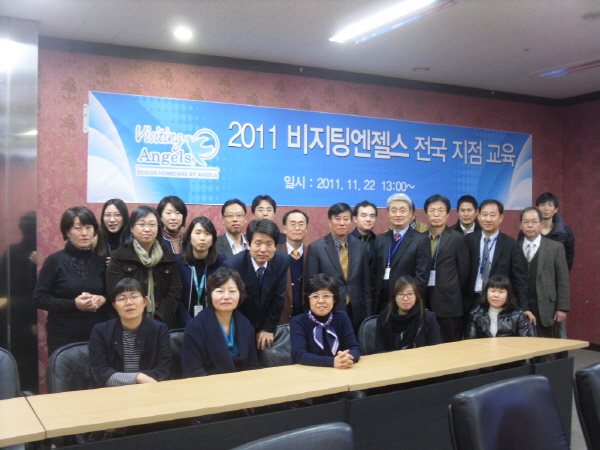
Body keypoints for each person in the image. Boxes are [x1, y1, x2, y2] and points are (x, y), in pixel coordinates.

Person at [33, 206, 110, 355]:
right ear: (67, 232)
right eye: (78, 228)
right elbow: (39, 299)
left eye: (89, 228)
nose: (84, 233)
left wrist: (103, 299)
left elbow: (111, 295)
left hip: (96, 334)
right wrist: (73, 304)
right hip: (63, 335)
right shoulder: (54, 261)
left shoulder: (100, 262)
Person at [107, 205, 181, 329]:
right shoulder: (119, 257)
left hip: (162, 324)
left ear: (158, 228)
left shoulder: (169, 258)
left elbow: (174, 292)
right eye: (141, 224)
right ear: (132, 228)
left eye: (152, 225)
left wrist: (159, 319)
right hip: (129, 324)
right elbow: (115, 292)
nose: (147, 229)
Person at [88, 278, 171, 387]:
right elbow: (99, 372)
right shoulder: (101, 331)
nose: (129, 303)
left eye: (134, 296)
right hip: (111, 392)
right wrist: (138, 378)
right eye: (122, 298)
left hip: (149, 389)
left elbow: (163, 370)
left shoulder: (159, 330)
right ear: (115, 305)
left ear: (145, 301)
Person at [181, 267, 261, 377]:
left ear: (240, 294)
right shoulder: (195, 327)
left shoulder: (246, 325)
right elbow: (193, 371)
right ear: (210, 294)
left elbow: (253, 366)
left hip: (242, 383)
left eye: (232, 291)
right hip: (209, 384)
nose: (226, 297)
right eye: (220, 291)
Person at [305, 203, 372, 331]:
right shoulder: (316, 248)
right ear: (329, 221)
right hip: (329, 311)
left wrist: (368, 315)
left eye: (346, 219)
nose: (342, 223)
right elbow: (311, 287)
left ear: (351, 221)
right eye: (337, 219)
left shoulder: (361, 247)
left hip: (357, 311)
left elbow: (365, 285)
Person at [223, 219, 289, 350]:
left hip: (266, 324)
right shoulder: (233, 266)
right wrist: (243, 332)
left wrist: (268, 328)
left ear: (275, 246)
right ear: (248, 244)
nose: (263, 249)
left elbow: (278, 298)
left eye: (269, 244)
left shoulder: (282, 261)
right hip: (239, 325)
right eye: (258, 243)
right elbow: (231, 304)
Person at [465, 199, 534, 323]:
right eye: (484, 214)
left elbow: (519, 279)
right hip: (471, 301)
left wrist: (524, 307)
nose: (488, 219)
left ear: (501, 218)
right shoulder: (468, 240)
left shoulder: (510, 244)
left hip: (499, 303)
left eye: (492, 215)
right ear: (478, 216)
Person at [372, 193, 431, 314]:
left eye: (402, 210)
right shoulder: (380, 239)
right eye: (394, 210)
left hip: (406, 304)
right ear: (388, 214)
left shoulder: (421, 240)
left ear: (411, 213)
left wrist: (408, 299)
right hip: (381, 303)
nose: (398, 214)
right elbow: (374, 273)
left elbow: (421, 278)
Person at [423, 195, 470, 343]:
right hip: (425, 303)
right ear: (426, 214)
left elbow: (464, 273)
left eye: (440, 210)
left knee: (450, 347)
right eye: (432, 210)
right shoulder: (420, 238)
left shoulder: (458, 238)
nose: (436, 214)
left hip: (449, 304)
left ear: (448, 214)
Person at [290, 274, 360, 368]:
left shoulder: (342, 317)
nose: (321, 301)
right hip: (309, 372)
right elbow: (300, 355)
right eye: (315, 296)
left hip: (340, 370)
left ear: (334, 299)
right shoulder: (298, 322)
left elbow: (354, 348)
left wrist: (347, 358)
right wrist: (332, 362)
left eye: (326, 296)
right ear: (308, 299)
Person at [520, 207, 570, 339]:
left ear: (541, 224)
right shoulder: (514, 247)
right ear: (521, 225)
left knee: (547, 346)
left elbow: (563, 280)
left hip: (547, 307)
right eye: (526, 222)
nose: (530, 225)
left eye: (534, 221)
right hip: (522, 307)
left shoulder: (555, 248)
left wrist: (562, 308)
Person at [176, 216, 227, 327]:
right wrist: (190, 324)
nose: (202, 238)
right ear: (189, 236)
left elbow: (223, 297)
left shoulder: (222, 263)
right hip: (182, 325)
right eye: (198, 233)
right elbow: (175, 299)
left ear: (213, 239)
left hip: (213, 324)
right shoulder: (177, 262)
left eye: (207, 234)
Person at [375, 275, 441, 352]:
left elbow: (435, 350)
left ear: (416, 296)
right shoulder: (384, 318)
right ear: (394, 297)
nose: (405, 298)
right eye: (400, 294)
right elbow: (379, 350)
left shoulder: (428, 318)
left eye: (410, 294)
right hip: (392, 359)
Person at [276, 209, 309, 324]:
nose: (297, 228)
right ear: (285, 228)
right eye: (293, 224)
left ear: (306, 229)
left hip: (306, 320)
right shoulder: (275, 254)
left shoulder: (313, 254)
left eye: (301, 224)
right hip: (280, 321)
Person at [535, 192, 574, 272]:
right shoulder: (528, 231)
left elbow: (569, 258)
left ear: (556, 209)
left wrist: (563, 275)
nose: (546, 209)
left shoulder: (566, 232)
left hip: (556, 274)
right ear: (537, 208)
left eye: (550, 205)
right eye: (542, 205)